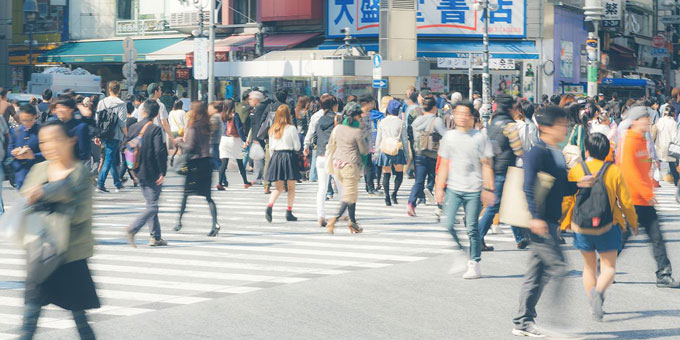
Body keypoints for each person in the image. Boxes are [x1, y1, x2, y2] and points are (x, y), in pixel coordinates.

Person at [20, 120, 99, 340]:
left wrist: (45, 195)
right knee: (29, 320)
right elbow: (25, 201)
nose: (49, 146)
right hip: (41, 255)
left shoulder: (80, 172)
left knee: (80, 320)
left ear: (70, 141)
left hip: (70, 257)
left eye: (55, 140)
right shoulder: (39, 168)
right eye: (44, 141)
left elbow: (81, 214)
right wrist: (46, 199)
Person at [512, 106, 583, 337]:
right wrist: (535, 218)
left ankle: (523, 321)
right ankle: (556, 322)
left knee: (537, 273)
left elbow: (561, 187)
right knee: (559, 268)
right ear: (544, 128)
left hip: (551, 221)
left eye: (565, 124)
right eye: (561, 125)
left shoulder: (556, 153)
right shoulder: (536, 153)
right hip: (540, 223)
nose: (565, 128)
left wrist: (580, 185)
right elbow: (528, 187)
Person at [567, 132, 638, 321]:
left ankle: (592, 302)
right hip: (607, 225)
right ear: (607, 151)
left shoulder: (577, 169)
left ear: (587, 149)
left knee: (588, 267)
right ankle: (598, 294)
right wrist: (632, 222)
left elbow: (568, 199)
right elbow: (626, 201)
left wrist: (564, 222)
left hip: (582, 226)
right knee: (608, 268)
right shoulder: (613, 171)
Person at [618, 106, 680, 288]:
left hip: (643, 199)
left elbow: (643, 169)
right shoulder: (629, 141)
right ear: (635, 121)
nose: (648, 121)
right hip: (632, 200)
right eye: (644, 118)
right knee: (623, 238)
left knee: (656, 237)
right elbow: (629, 173)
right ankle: (604, 267)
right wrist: (647, 192)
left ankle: (664, 273)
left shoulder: (640, 140)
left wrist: (651, 185)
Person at [435, 102, 494, 279]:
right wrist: (439, 187)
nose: (461, 116)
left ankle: (474, 263)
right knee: (447, 223)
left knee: (472, 227)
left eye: (465, 113)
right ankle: (461, 253)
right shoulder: (449, 137)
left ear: (471, 117)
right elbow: (444, 164)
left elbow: (487, 165)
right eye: (457, 113)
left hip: (474, 188)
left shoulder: (480, 137)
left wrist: (488, 188)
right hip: (454, 187)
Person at [478, 94, 528, 251]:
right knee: (495, 206)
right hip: (505, 168)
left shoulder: (492, 123)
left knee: (508, 202)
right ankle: (477, 238)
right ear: (509, 109)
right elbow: (518, 149)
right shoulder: (510, 125)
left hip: (492, 167)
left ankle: (520, 238)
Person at [125, 100, 169, 247]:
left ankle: (155, 237)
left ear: (143, 111)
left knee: (150, 203)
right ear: (156, 114)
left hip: (137, 170)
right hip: (152, 172)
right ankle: (133, 228)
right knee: (153, 206)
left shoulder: (133, 127)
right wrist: (163, 172)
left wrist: (131, 170)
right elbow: (159, 151)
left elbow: (124, 148)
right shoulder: (155, 129)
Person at [174, 102, 221, 237]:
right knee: (208, 197)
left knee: (186, 194)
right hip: (207, 163)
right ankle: (215, 223)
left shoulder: (194, 127)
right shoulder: (207, 126)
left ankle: (179, 221)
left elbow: (190, 147)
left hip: (195, 165)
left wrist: (178, 142)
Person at [326, 102, 368, 234]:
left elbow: (331, 144)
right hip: (350, 165)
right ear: (355, 116)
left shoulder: (337, 128)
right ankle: (334, 218)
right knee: (348, 196)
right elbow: (364, 150)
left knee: (352, 194)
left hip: (338, 163)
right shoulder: (357, 132)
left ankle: (353, 222)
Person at [305, 94, 346, 227]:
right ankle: (344, 214)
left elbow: (314, 137)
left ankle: (320, 216)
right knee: (340, 185)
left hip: (321, 156)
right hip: (335, 155)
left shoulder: (317, 118)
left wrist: (307, 146)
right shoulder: (339, 118)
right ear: (335, 105)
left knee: (321, 188)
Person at [406, 95, 447, 216]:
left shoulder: (417, 121)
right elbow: (445, 135)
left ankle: (411, 204)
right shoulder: (436, 120)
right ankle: (440, 205)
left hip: (419, 153)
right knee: (438, 180)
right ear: (434, 107)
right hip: (433, 154)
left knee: (419, 181)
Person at [265, 105, 301, 222]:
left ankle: (269, 206)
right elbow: (297, 146)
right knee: (291, 187)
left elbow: (270, 148)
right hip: (288, 157)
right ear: (288, 115)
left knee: (278, 188)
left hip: (276, 157)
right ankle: (289, 211)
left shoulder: (272, 129)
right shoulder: (291, 128)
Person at [95, 81, 127, 193]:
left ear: (109, 90)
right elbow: (122, 122)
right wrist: (126, 135)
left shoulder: (101, 102)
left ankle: (117, 183)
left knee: (111, 157)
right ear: (119, 90)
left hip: (104, 133)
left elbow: (97, 120)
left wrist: (97, 135)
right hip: (115, 134)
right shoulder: (121, 104)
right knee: (109, 158)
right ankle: (100, 183)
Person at [375, 99, 409, 206]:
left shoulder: (383, 121)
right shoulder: (401, 122)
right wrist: (407, 154)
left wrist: (376, 152)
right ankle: (394, 193)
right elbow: (404, 139)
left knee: (386, 174)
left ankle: (387, 197)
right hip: (397, 150)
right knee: (399, 173)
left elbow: (378, 138)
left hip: (385, 150)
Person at [215, 99, 251, 190]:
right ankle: (245, 182)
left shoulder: (222, 116)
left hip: (224, 140)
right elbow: (239, 129)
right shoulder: (235, 115)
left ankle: (220, 183)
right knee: (240, 161)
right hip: (234, 140)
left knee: (224, 162)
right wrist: (245, 140)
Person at [8, 104, 44, 189]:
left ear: (35, 117)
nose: (26, 123)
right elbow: (9, 149)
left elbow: (48, 153)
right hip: (20, 174)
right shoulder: (15, 131)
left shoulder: (42, 131)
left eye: (29, 120)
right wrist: (14, 153)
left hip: (38, 174)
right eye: (23, 120)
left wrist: (33, 156)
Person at [246, 91, 272, 189]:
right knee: (259, 157)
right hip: (260, 135)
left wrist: (256, 137)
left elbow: (257, 124)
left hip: (259, 136)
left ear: (257, 99)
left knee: (259, 158)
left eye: (250, 99)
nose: (249, 101)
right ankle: (261, 177)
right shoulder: (260, 107)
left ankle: (259, 178)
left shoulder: (259, 108)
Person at [53, 95, 91, 162]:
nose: (59, 110)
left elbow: (84, 154)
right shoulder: (54, 126)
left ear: (71, 109)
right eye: (57, 107)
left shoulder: (80, 127)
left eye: (63, 107)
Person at [653, 105, 678, 184]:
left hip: (659, 145)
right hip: (669, 147)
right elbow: (675, 137)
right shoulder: (673, 123)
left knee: (657, 163)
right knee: (672, 164)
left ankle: (655, 181)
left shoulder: (659, 121)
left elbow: (654, 133)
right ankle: (676, 181)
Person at [359, 95, 379, 195]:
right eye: (371, 103)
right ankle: (370, 187)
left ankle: (369, 187)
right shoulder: (361, 115)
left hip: (366, 144)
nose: (373, 105)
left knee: (368, 166)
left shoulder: (367, 114)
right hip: (361, 144)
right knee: (368, 166)